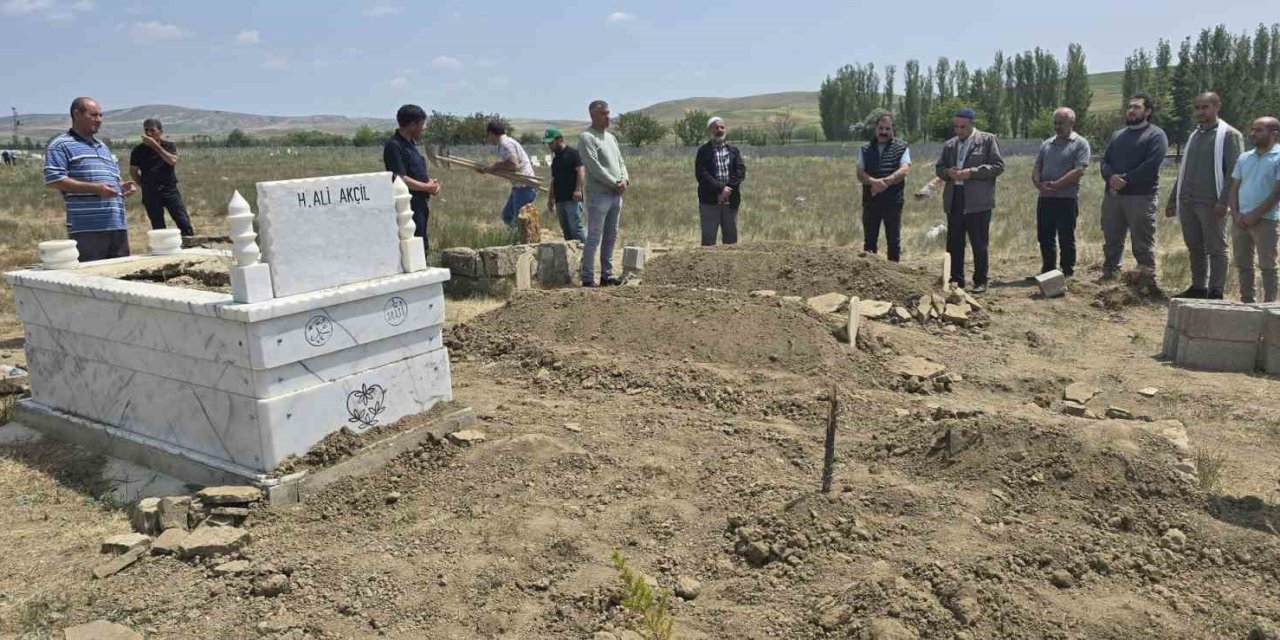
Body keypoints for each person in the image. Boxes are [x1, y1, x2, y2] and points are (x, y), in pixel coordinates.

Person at [1165, 92, 1243, 299]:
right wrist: (1174, 199)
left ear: (1217, 106)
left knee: (1216, 247)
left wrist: (1223, 201)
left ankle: (1216, 290)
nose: (1200, 112)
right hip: (1188, 200)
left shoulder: (1229, 135)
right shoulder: (1195, 135)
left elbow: (1234, 173)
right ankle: (1198, 286)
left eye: (1205, 107)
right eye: (1197, 107)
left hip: (1211, 202)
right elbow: (1184, 171)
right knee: (1194, 246)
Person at [44, 97, 138, 261]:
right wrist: (96, 189)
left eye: (101, 115)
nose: (99, 120)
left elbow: (112, 181)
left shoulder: (103, 147)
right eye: (93, 115)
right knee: (92, 278)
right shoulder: (61, 145)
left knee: (120, 279)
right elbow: (54, 180)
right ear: (76, 114)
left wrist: (122, 187)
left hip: (117, 224)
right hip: (88, 227)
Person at [1099, 93, 1169, 281]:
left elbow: (1152, 164)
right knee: (1112, 238)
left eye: (1136, 107)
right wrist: (1110, 177)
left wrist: (1125, 180)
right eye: (1129, 107)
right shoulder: (1118, 135)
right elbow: (1105, 161)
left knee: (1142, 240)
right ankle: (1110, 274)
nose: (1131, 110)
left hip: (1140, 197)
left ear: (1147, 112)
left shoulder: (1156, 135)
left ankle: (1145, 280)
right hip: (1113, 196)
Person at [934, 107, 1004, 293]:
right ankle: (956, 279)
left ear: (972, 124)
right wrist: (948, 172)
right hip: (954, 198)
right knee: (954, 242)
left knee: (979, 243)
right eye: (956, 127)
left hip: (978, 201)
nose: (959, 131)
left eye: (963, 127)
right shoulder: (950, 144)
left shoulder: (987, 140)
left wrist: (971, 173)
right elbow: (939, 168)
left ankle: (980, 280)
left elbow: (997, 166)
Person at [1030, 107, 1091, 278]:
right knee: (1045, 236)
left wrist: (1056, 185)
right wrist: (1039, 184)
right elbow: (1037, 167)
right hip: (1045, 198)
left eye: (1061, 123)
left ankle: (1067, 272)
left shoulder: (1080, 144)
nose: (1057, 126)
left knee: (1066, 237)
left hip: (1066, 199)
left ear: (1071, 123)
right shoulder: (1046, 144)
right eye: (1055, 123)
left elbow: (1079, 170)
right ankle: (1048, 271)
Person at [1226, 117, 1280, 303]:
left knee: (1268, 266)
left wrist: (1255, 215)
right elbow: (1234, 187)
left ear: (1273, 134)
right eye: (1252, 129)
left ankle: (1270, 306)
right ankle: (1247, 301)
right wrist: (1235, 213)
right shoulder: (1244, 157)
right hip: (1240, 219)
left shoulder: (1278, 157)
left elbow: (1277, 192)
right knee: (1243, 264)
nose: (1253, 134)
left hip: (1266, 219)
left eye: (1259, 130)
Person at [578, 100, 629, 287]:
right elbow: (593, 167)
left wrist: (625, 179)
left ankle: (606, 276)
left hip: (616, 194)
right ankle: (588, 278)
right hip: (599, 195)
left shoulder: (611, 138)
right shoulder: (586, 137)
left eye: (608, 113)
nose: (608, 117)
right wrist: (614, 182)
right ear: (593, 115)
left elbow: (620, 161)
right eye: (603, 114)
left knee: (611, 235)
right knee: (594, 236)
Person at [383, 104, 441, 256]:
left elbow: (415, 172)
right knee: (413, 245)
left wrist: (430, 184)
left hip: (420, 203)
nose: (423, 128)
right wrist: (426, 187)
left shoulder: (410, 145)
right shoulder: (394, 146)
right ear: (412, 125)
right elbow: (399, 178)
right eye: (422, 124)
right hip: (408, 205)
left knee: (422, 243)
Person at [857, 113, 911, 261]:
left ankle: (894, 276)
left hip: (893, 202)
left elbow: (905, 169)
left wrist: (887, 181)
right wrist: (873, 182)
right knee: (869, 242)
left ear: (892, 129)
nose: (884, 132)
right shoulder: (865, 149)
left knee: (893, 241)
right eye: (881, 128)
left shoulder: (902, 147)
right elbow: (860, 173)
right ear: (875, 129)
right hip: (871, 202)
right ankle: (868, 273)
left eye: (887, 128)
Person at [129, 118, 194, 236]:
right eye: (146, 130)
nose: (149, 134)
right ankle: (164, 250)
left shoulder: (168, 146)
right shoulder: (138, 151)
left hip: (169, 190)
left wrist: (156, 147)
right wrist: (143, 185)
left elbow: (172, 161)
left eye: (152, 130)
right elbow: (133, 171)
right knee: (158, 225)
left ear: (160, 132)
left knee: (182, 220)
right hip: (151, 192)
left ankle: (189, 245)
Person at [694, 116, 746, 246]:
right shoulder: (703, 151)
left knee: (731, 241)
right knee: (708, 241)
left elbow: (740, 172)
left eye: (722, 127)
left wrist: (728, 189)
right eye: (716, 127)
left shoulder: (733, 151)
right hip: (710, 201)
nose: (719, 130)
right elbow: (702, 174)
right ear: (709, 130)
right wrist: (720, 189)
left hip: (731, 200)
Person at [479, 121, 538, 228]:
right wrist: (492, 168)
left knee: (518, 221)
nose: (488, 138)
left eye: (487, 135)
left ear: (492, 134)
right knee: (507, 216)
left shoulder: (506, 144)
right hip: (519, 186)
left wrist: (496, 166)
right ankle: (516, 238)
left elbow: (513, 165)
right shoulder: (504, 144)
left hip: (525, 186)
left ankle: (521, 241)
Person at [544, 128, 585, 241]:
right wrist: (550, 199)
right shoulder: (556, 160)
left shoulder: (573, 154)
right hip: (560, 200)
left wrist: (578, 190)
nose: (549, 146)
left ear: (559, 139)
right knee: (566, 229)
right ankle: (571, 255)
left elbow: (581, 171)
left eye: (551, 143)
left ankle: (585, 255)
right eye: (548, 143)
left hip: (572, 198)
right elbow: (554, 180)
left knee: (575, 228)